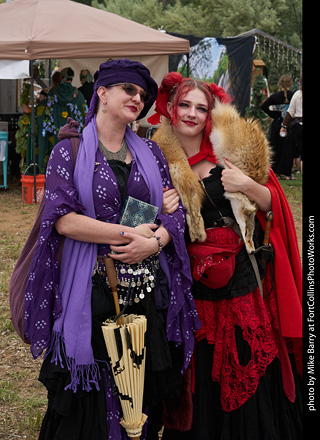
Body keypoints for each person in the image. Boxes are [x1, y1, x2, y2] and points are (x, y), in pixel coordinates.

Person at [23, 59, 200, 440]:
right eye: (129, 89)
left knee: (139, 391)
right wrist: (127, 235)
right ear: (102, 92)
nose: (137, 98)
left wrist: (152, 242)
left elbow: (174, 214)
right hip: (89, 290)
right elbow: (62, 219)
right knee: (91, 394)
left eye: (142, 94)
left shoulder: (151, 154)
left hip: (145, 291)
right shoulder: (68, 151)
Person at [147, 72, 303, 440]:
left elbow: (273, 208)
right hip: (189, 289)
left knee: (246, 366)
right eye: (184, 105)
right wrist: (159, 209)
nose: (191, 114)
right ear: (170, 108)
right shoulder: (152, 158)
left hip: (241, 287)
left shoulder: (229, 153)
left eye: (201, 108)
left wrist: (248, 185)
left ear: (211, 115)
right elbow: (134, 218)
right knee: (199, 372)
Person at [261, 74, 294, 179]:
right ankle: (286, 173)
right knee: (288, 149)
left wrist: (275, 115)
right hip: (289, 124)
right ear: (290, 84)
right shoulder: (294, 96)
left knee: (275, 147)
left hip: (277, 124)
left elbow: (264, 106)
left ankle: (275, 172)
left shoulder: (275, 96)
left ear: (280, 84)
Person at [280, 78, 303, 175]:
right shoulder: (297, 94)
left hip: (299, 126)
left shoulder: (297, 94)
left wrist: (284, 126)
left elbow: (290, 112)